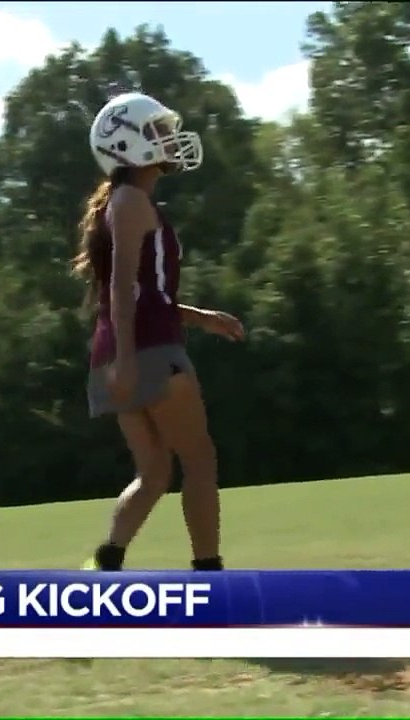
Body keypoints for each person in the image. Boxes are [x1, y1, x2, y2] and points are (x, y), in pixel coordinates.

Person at [72, 91, 246, 572]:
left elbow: (146, 291)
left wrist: (200, 317)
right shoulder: (130, 201)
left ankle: (105, 564)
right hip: (145, 350)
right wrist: (129, 358)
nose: (168, 138)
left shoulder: (128, 201)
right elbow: (124, 287)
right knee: (199, 460)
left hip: (121, 348)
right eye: (156, 131)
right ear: (127, 144)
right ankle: (209, 574)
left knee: (153, 471)